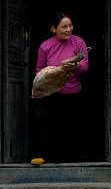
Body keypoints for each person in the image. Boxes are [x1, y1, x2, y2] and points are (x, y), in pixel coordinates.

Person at [31, 12, 89, 164]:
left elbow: (85, 67)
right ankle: (42, 156)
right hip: (50, 91)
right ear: (53, 28)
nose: (69, 29)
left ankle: (66, 159)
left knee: (68, 126)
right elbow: (39, 69)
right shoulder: (45, 46)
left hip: (72, 91)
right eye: (64, 27)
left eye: (70, 25)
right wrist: (39, 86)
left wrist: (76, 65)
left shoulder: (79, 43)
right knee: (43, 121)